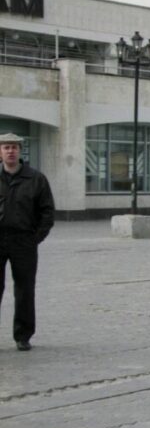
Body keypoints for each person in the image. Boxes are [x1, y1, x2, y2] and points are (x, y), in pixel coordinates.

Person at [0, 133, 55, 351]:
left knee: (24, 289)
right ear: (0, 152)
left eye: (13, 147)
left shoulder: (36, 179)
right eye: (6, 147)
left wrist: (35, 238)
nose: (10, 151)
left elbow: (47, 212)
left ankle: (23, 336)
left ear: (20, 151)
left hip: (24, 241)